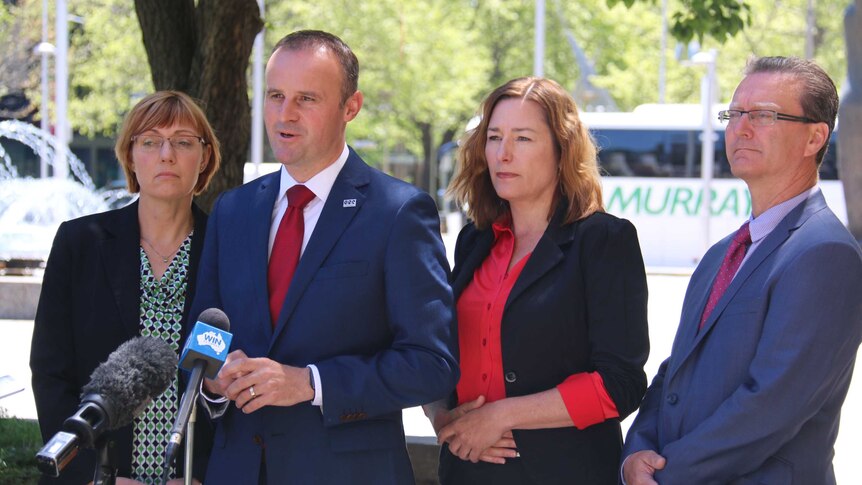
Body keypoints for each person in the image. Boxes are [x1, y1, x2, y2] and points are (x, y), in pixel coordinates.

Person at [189, 30, 458, 484]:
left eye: (306, 99)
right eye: (275, 96)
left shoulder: (397, 212)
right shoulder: (232, 210)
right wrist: (214, 379)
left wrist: (310, 383)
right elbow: (204, 333)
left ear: (351, 107)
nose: (284, 114)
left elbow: (431, 365)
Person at [622, 56, 862, 485]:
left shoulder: (825, 252)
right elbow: (676, 370)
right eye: (734, 114)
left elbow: (773, 405)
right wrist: (636, 451)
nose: (741, 128)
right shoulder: (720, 254)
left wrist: (666, 473)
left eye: (764, 115)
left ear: (815, 138)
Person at [423, 77, 650, 484]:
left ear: (562, 152)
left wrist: (502, 415)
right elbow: (439, 352)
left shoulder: (603, 240)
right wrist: (442, 416)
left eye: (523, 139)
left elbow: (621, 384)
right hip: (466, 470)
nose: (503, 154)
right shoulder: (474, 239)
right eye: (494, 137)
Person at [30, 90, 221, 485]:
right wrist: (93, 475)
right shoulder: (79, 243)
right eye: (150, 141)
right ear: (131, 154)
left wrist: (201, 475)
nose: (166, 154)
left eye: (183, 142)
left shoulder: (229, 251)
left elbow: (232, 381)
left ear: (204, 157)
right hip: (100, 475)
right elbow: (50, 373)